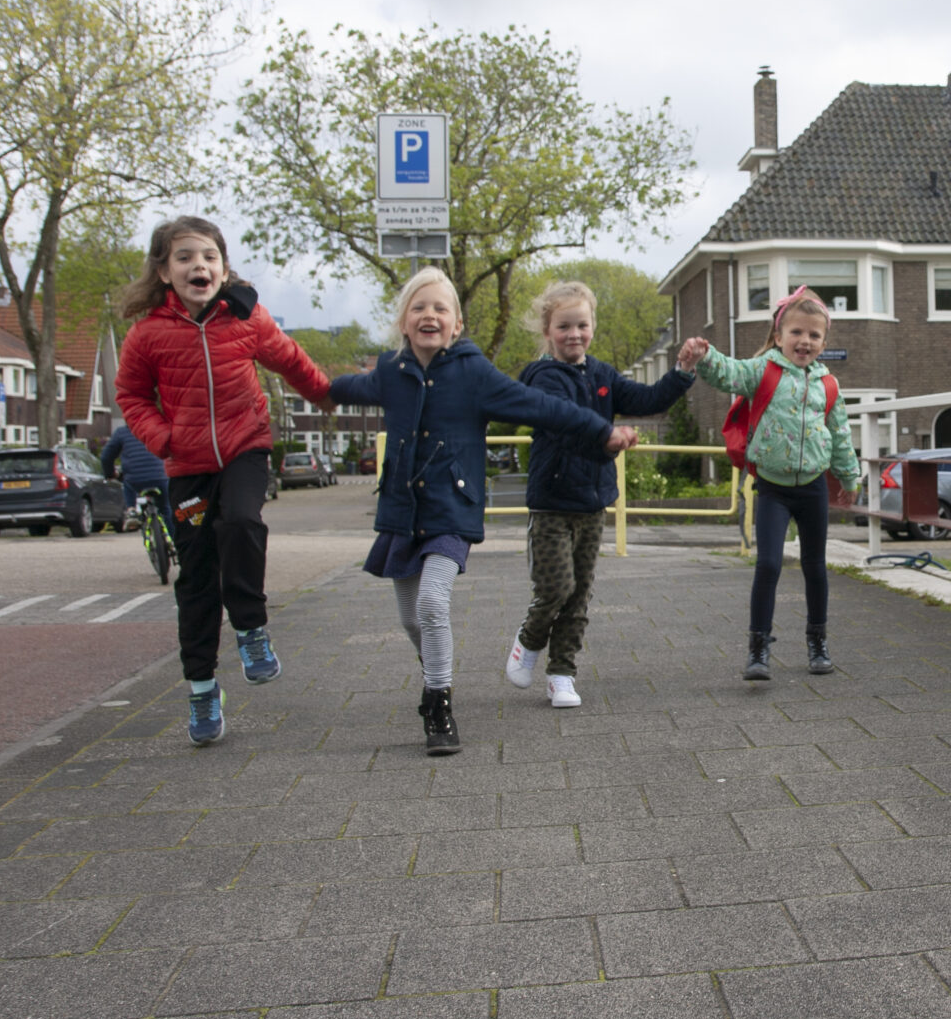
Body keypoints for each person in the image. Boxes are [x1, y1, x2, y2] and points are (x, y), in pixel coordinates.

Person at [330, 268, 638, 754]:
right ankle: (435, 669)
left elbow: (541, 406)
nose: (429, 315)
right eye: (418, 307)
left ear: (456, 324)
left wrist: (601, 431)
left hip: (452, 510)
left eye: (440, 308)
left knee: (432, 604)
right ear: (404, 322)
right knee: (412, 620)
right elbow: (340, 388)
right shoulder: (391, 372)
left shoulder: (472, 373)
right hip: (402, 514)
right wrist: (295, 370)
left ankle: (438, 705)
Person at [115, 216, 333, 748]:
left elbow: (291, 361)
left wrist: (329, 395)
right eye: (186, 257)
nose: (200, 266)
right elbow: (131, 397)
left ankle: (251, 628)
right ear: (164, 271)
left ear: (224, 267)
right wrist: (162, 438)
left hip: (244, 447)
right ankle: (202, 688)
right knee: (195, 580)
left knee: (240, 521)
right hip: (186, 465)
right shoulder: (147, 334)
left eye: (209, 257)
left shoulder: (246, 317)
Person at [507, 280, 697, 708]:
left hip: (592, 504)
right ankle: (529, 640)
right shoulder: (543, 378)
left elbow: (648, 399)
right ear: (547, 331)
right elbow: (566, 424)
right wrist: (607, 437)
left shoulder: (602, 374)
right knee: (556, 589)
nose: (574, 334)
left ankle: (561, 674)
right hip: (552, 503)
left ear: (593, 326)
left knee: (579, 595)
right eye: (564, 326)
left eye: (582, 325)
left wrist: (682, 372)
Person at [681, 285, 860, 681]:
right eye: (796, 332)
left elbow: (840, 435)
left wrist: (849, 477)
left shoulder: (828, 385)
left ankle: (818, 642)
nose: (805, 341)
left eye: (814, 335)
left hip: (813, 487)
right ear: (778, 336)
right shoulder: (764, 370)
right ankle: (758, 647)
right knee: (768, 564)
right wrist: (705, 356)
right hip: (773, 488)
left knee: (815, 566)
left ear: (824, 342)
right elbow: (730, 372)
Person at [100, 422, 170, 539]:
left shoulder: (122, 432)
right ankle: (173, 541)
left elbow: (106, 457)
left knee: (127, 482)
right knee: (166, 510)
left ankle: (131, 510)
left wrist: (109, 474)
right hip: (160, 477)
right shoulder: (155, 427)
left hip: (135, 479)